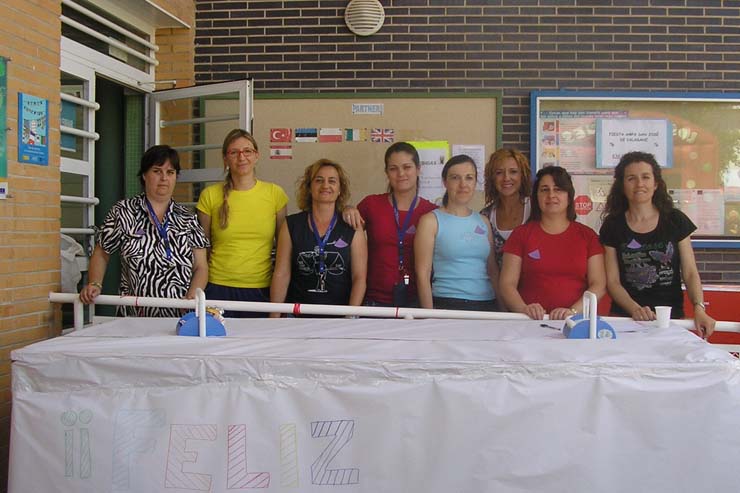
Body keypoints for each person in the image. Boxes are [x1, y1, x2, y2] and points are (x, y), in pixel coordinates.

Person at [79, 145, 209, 317]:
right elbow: (102, 252)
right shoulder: (123, 211)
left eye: (170, 172)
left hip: (179, 317)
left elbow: (201, 267)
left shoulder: (188, 218)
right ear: (144, 175)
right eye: (157, 171)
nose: (164, 178)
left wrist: (193, 295)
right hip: (134, 315)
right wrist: (95, 283)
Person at [599, 151, 716, 337]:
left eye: (645, 177)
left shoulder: (675, 220)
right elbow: (613, 281)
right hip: (625, 320)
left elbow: (690, 272)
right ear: (622, 185)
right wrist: (635, 309)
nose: (639, 184)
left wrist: (699, 308)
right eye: (631, 178)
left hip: (669, 319)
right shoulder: (612, 225)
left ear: (656, 184)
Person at [196, 129, 288, 317]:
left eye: (247, 151)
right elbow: (202, 248)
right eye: (234, 152)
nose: (241, 157)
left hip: (260, 290)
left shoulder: (275, 194)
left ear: (256, 156)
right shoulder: (210, 195)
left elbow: (283, 251)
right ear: (225, 159)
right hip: (217, 288)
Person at [499, 166, 605, 320]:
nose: (551, 195)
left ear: (569, 197)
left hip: (576, 323)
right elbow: (507, 284)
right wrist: (524, 309)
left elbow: (598, 284)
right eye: (544, 189)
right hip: (530, 324)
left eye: (558, 189)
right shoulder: (521, 235)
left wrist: (573, 312)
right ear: (536, 196)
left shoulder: (588, 236)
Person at [270, 159, 367, 316]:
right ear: (309, 187)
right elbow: (281, 274)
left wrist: (351, 316)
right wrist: (274, 314)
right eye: (319, 180)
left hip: (339, 315)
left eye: (332, 181)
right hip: (297, 314)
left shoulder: (352, 227)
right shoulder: (291, 225)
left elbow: (359, 278)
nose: (325, 186)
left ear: (340, 189)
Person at [352, 142, 437, 307]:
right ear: (386, 173)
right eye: (393, 168)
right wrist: (347, 209)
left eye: (407, 167)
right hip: (375, 302)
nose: (401, 174)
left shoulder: (432, 212)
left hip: (416, 301)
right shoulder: (371, 204)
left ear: (418, 169)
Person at [414, 155, 498, 311]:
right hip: (447, 303)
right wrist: (429, 316)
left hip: (487, 304)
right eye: (455, 178)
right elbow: (422, 274)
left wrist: (504, 309)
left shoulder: (484, 221)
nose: (463, 184)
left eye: (469, 178)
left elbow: (492, 270)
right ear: (445, 182)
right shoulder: (430, 221)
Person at [480, 148, 532, 269]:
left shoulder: (537, 211)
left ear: (522, 175)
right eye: (499, 172)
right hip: (495, 286)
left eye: (513, 172)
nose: (506, 178)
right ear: (492, 178)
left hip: (533, 286)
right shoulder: (484, 217)